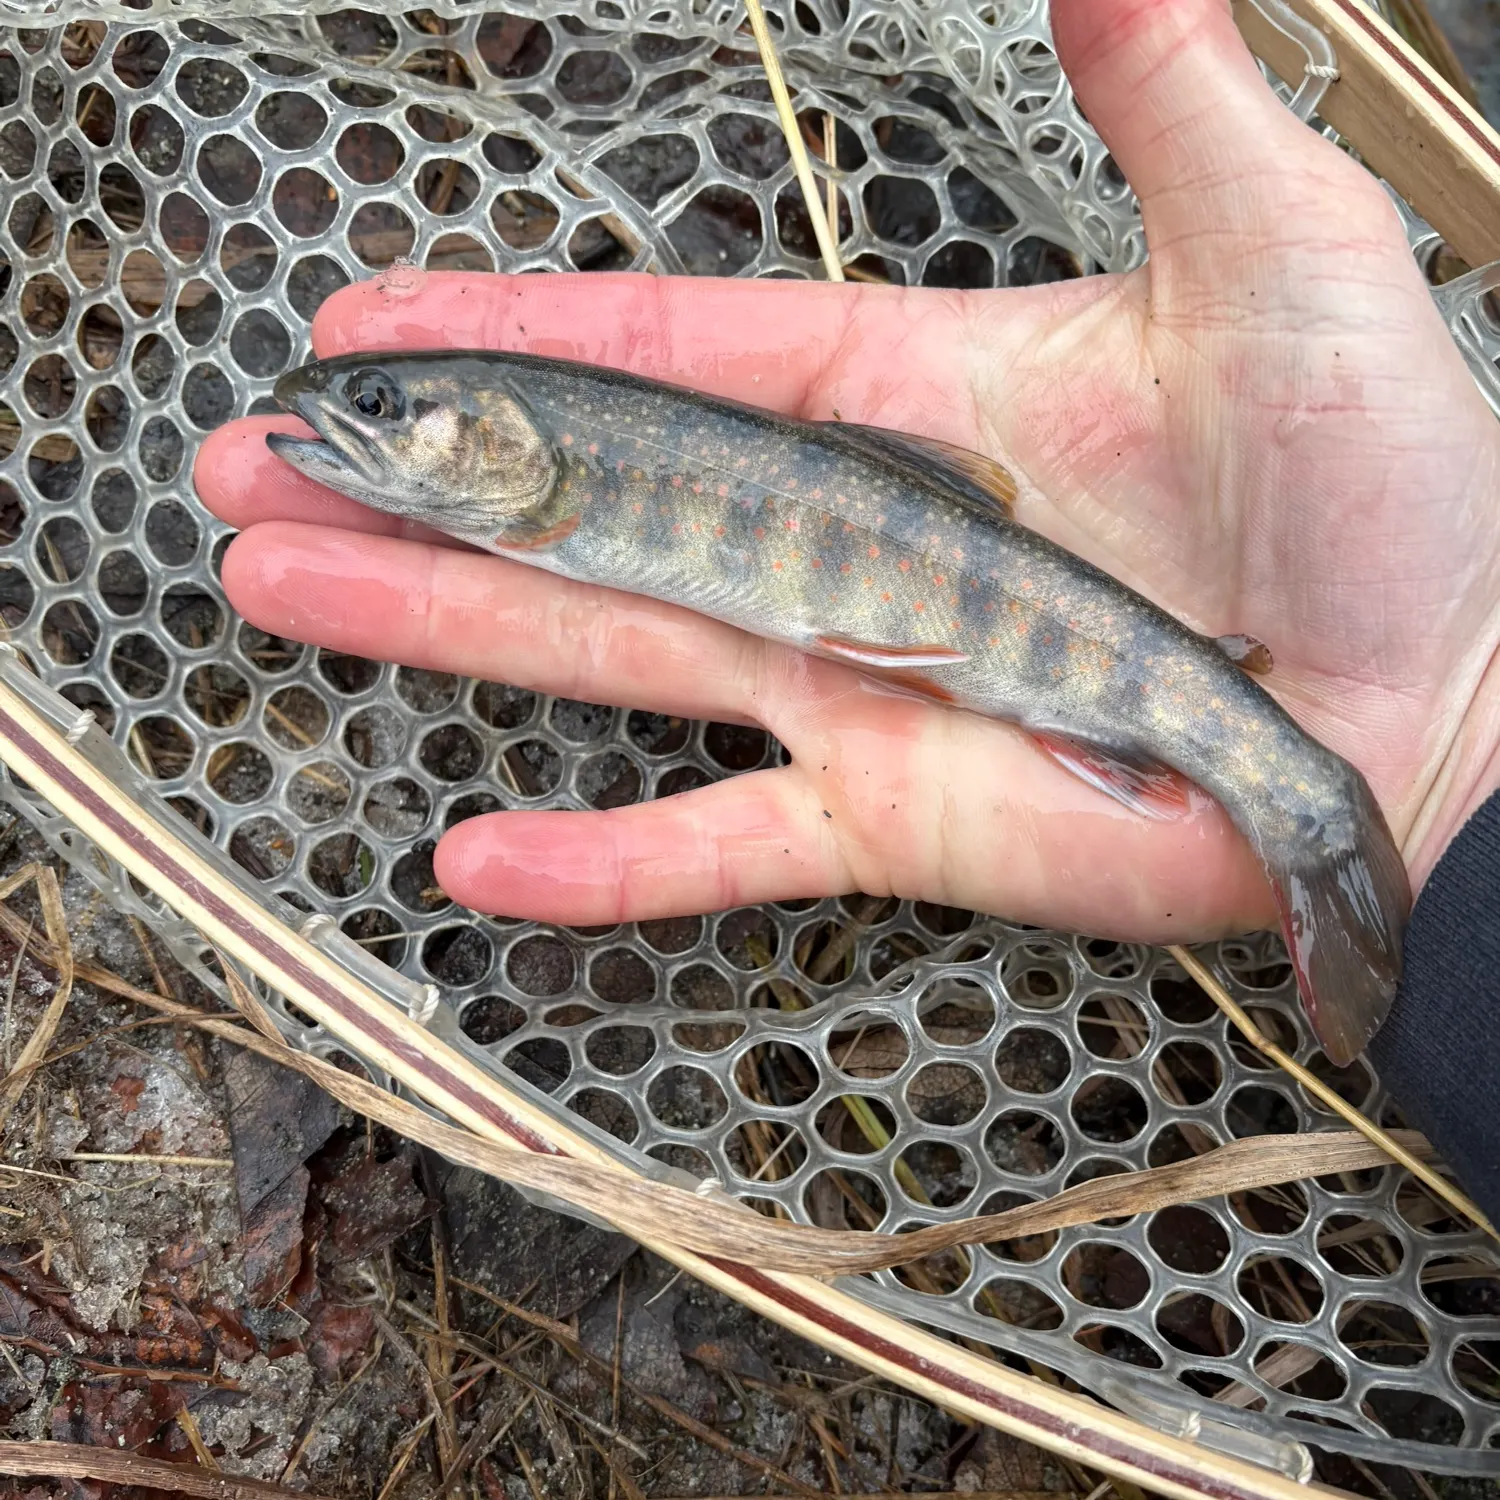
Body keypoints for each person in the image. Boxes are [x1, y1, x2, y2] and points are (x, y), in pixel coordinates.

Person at [195, 0, 1500, 1219]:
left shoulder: (558, 481)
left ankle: (1304, 807)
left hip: (1220, 718)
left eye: (382, 410)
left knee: (1288, 790)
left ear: (499, 437)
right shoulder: (535, 488)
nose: (348, 417)